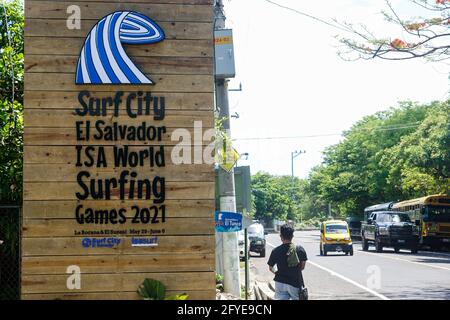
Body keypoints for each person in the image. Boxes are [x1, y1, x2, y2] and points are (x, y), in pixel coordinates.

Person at [267, 223, 307, 300]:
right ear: (292, 236)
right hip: (295, 282)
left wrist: (277, 273)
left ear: (281, 236)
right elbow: (302, 267)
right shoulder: (299, 249)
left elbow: (270, 267)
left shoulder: (276, 250)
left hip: (280, 282)